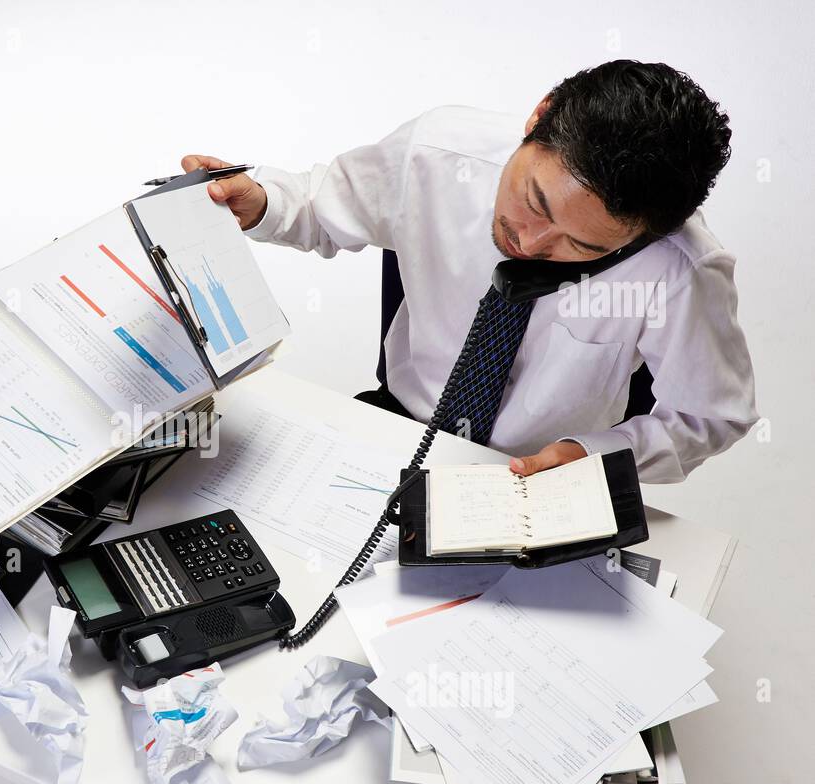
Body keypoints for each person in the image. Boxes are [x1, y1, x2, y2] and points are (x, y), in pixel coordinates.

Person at [184, 60, 757, 482]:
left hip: (542, 474)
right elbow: (321, 205)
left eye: (580, 243)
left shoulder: (682, 270)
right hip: (401, 425)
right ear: (541, 115)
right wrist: (263, 201)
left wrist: (595, 456)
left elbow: (711, 417)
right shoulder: (441, 152)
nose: (528, 243)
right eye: (535, 201)